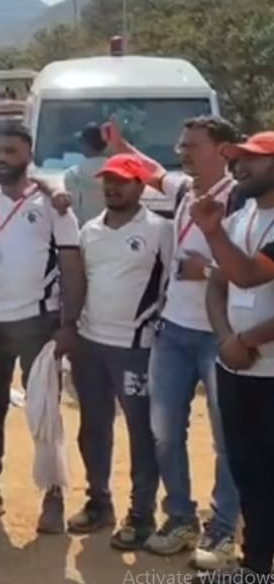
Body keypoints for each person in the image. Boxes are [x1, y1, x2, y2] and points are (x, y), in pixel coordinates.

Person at [106, 116, 244, 567]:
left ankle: (223, 530)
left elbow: (257, 268)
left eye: (192, 145)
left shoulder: (243, 198)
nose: (182, 152)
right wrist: (123, 144)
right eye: (181, 144)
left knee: (228, 439)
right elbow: (152, 172)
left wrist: (205, 271)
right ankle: (181, 518)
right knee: (164, 432)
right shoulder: (185, 189)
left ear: (223, 150)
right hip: (173, 329)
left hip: (220, 334)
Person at [0, 124, 84, 533]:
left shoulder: (52, 205)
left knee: (44, 409)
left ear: (28, 153)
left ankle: (54, 495)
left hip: (39, 321)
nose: (3, 157)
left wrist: (69, 324)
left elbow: (72, 264)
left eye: (11, 150)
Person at [65, 154, 171, 551]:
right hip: (90, 344)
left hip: (137, 349)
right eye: (107, 180)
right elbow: (80, 284)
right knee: (93, 427)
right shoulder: (89, 230)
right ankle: (99, 502)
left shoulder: (161, 231)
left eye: (123, 181)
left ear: (141, 186)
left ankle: (141, 514)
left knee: (142, 433)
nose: (112, 187)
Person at [194, 132, 274, 578]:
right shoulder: (241, 217)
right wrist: (227, 338)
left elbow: (246, 275)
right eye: (237, 159)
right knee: (248, 470)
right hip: (238, 369)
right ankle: (257, 565)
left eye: (254, 160)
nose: (240, 167)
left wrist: (248, 342)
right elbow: (217, 283)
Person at [63, 123, 110, 226]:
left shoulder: (73, 174)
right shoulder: (116, 172)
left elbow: (72, 210)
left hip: (84, 233)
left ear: (85, 145)